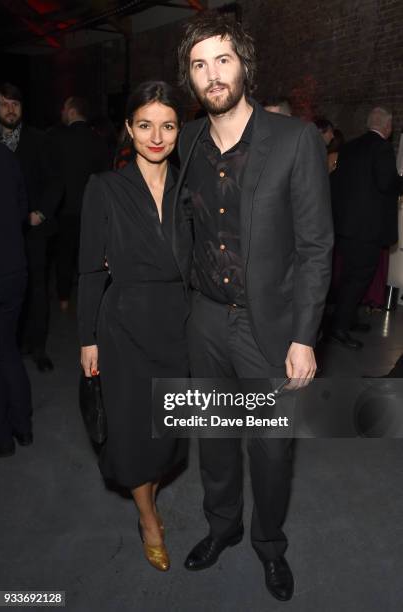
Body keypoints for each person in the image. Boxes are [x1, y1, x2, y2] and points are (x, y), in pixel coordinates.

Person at [175, 14, 333, 602]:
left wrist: (304, 336)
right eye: (199, 64)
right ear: (189, 78)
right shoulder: (189, 142)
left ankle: (270, 546)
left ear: (244, 64)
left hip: (269, 327)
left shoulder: (295, 141)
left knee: (269, 451)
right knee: (213, 441)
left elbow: (317, 246)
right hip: (205, 320)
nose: (212, 76)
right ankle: (223, 529)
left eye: (223, 60)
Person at [78, 81, 189, 573]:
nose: (157, 136)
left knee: (167, 433)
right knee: (132, 434)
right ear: (128, 128)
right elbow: (88, 270)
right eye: (145, 125)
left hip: (177, 324)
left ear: (179, 129)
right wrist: (86, 338)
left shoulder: (191, 189)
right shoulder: (105, 186)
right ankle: (147, 518)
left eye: (167, 125)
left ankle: (151, 494)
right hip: (121, 327)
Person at [0, 82, 58, 372]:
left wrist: (41, 214)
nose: (10, 110)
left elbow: (56, 182)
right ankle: (12, 344)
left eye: (15, 104)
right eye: (4, 104)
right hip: (2, 233)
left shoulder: (39, 140)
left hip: (33, 231)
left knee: (36, 289)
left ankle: (38, 347)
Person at [329, 107, 400, 349]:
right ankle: (339, 328)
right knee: (357, 279)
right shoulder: (382, 148)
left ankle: (348, 319)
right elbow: (386, 183)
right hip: (367, 230)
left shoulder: (350, 146)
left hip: (347, 226)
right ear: (388, 128)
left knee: (349, 276)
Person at [54, 96, 110, 312]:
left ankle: (63, 299)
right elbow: (106, 174)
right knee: (91, 256)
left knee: (64, 255)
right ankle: (94, 300)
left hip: (65, 207)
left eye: (63, 108)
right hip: (92, 208)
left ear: (71, 111)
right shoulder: (98, 140)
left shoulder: (57, 138)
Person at [0, 143, 32, 457]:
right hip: (13, 270)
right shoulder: (6, 156)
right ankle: (24, 428)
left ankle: (3, 437)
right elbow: (22, 210)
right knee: (8, 350)